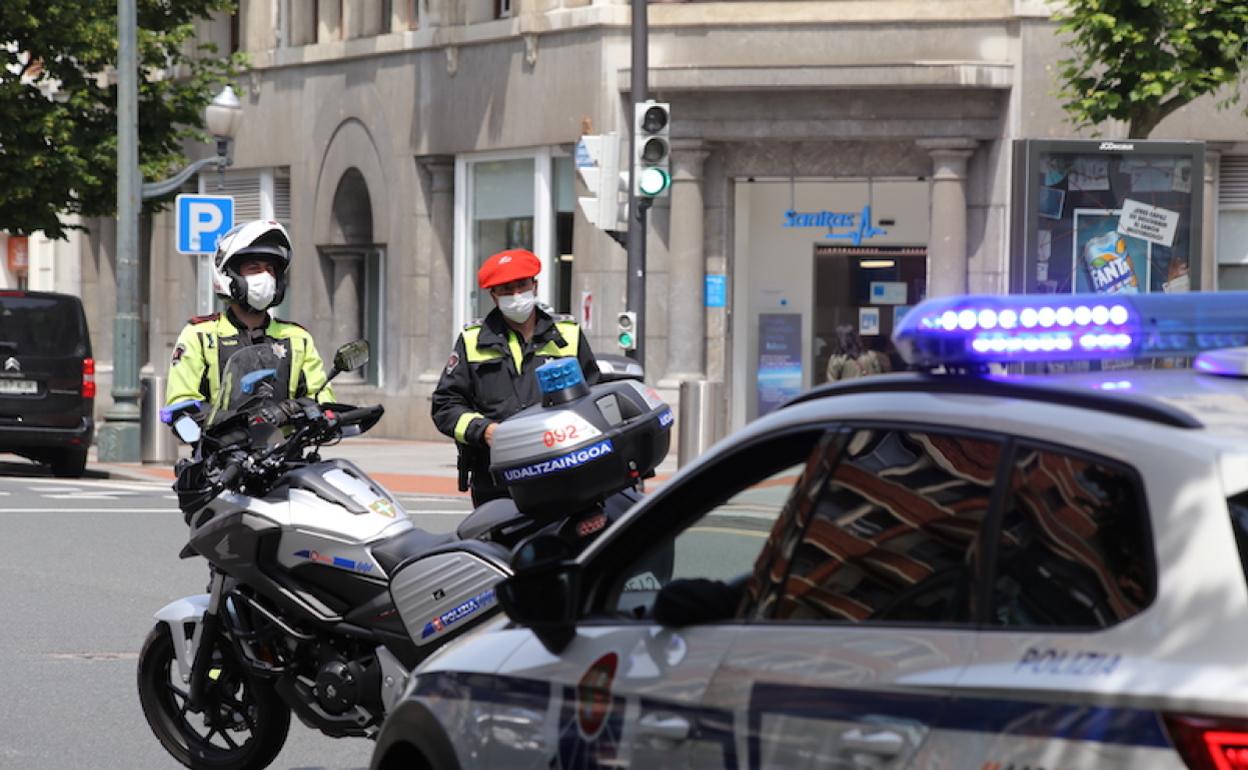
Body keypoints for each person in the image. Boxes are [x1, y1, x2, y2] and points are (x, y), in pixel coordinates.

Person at [432, 248, 599, 505]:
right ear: (493, 295)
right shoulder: (472, 340)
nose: (516, 295)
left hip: (561, 468)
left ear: (535, 284)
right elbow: (445, 406)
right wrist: (484, 431)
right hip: (496, 477)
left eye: (522, 285)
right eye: (506, 289)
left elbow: (593, 394)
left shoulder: (568, 334)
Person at [165, 219, 335, 410]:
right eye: (254, 268)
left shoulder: (297, 338)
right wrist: (219, 422)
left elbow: (321, 397)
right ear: (230, 275)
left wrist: (295, 410)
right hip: (222, 440)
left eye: (270, 269)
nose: (265, 276)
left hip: (285, 440)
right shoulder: (201, 335)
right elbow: (181, 400)